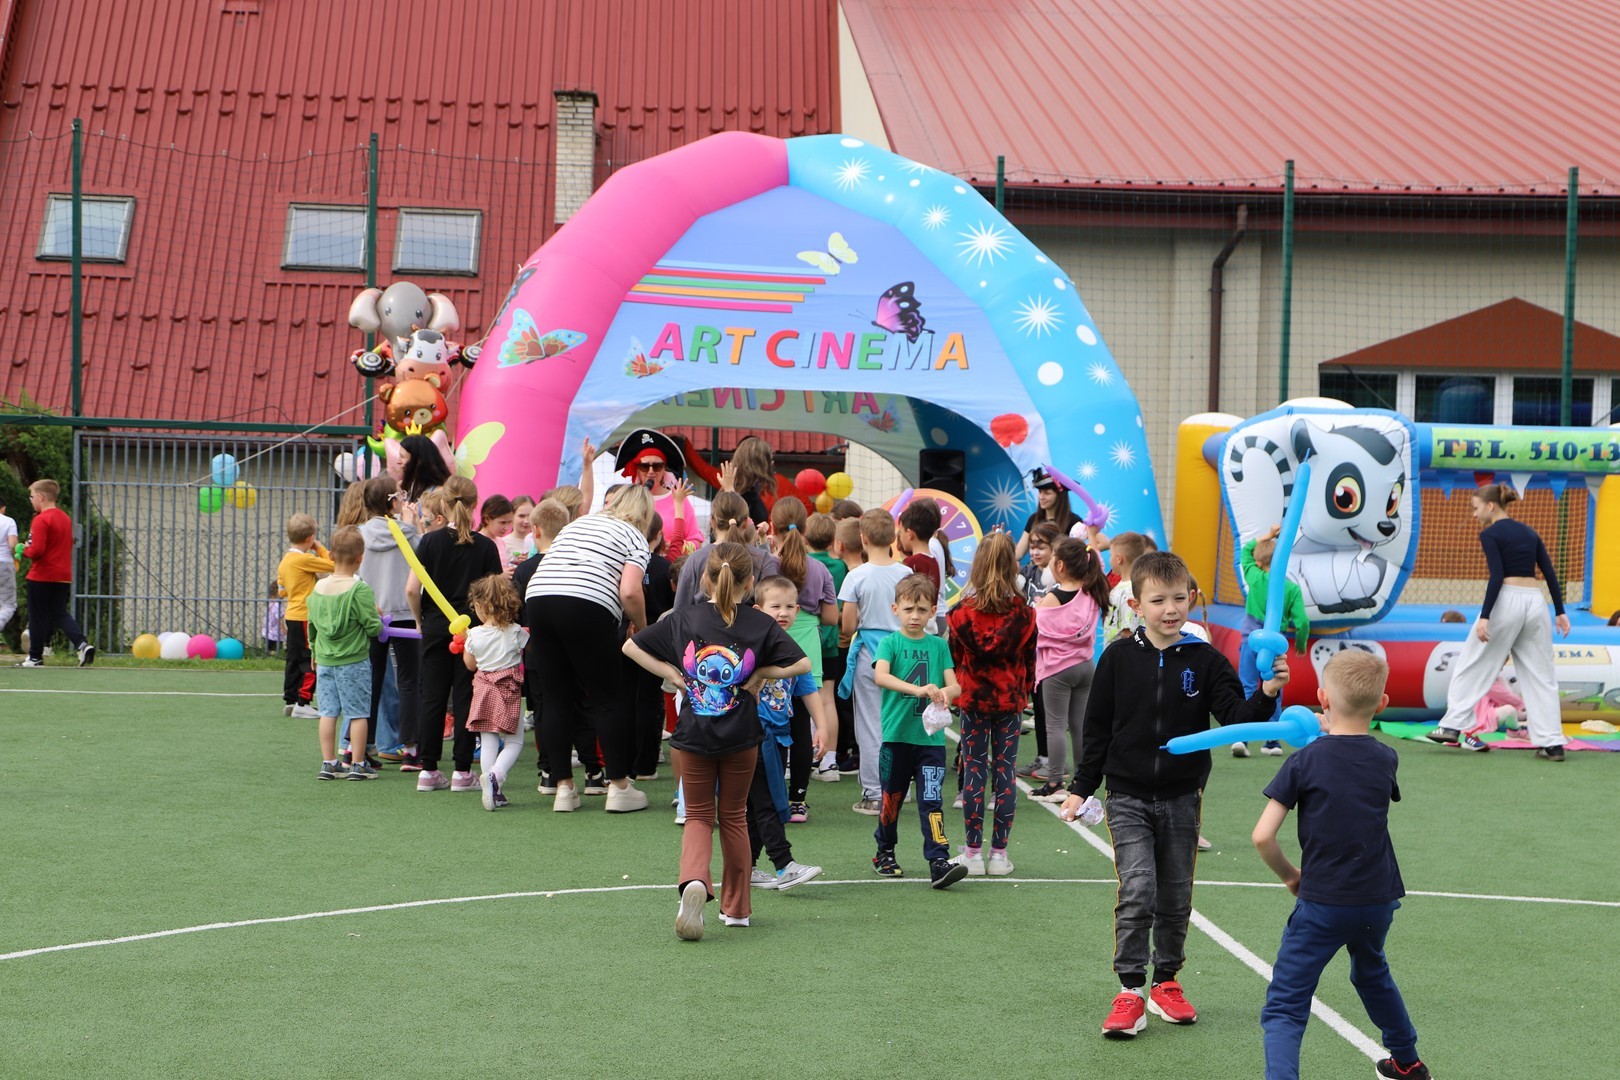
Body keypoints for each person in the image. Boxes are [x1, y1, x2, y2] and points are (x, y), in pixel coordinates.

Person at [1059, 550, 1291, 1039]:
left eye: (1179, 598)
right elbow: (1096, 730)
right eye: (1158, 600)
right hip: (1126, 795)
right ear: (1136, 605)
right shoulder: (1118, 657)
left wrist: (1268, 691)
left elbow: (1237, 719)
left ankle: (1166, 981)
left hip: (1183, 796)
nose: (1170, 609)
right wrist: (1081, 789)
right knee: (1138, 887)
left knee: (1175, 892)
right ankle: (1129, 990)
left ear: (1191, 598)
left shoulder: (1206, 660)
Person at [1252, 650, 1430, 1080]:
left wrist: (1290, 876)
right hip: (1377, 900)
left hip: (1324, 901)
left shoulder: (1303, 761)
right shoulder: (1386, 758)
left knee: (1285, 1004)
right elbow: (1352, 765)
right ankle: (1407, 1061)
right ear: (1382, 703)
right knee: (1371, 972)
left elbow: (1262, 836)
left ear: (1322, 699)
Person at [623, 542, 811, 939]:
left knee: (697, 816)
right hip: (742, 737)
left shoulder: (683, 618)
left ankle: (694, 880)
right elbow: (802, 662)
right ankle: (737, 909)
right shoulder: (760, 623)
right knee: (734, 817)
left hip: (693, 736)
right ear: (751, 581)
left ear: (705, 579)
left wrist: (672, 675)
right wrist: (760, 674)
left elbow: (630, 646)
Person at [527, 483, 653, 812]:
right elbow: (630, 591)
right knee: (607, 698)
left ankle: (564, 788)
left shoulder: (579, 524)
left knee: (555, 697)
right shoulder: (634, 537)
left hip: (539, 597)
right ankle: (619, 786)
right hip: (588, 603)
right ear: (645, 515)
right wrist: (642, 627)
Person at [1427, 483, 1570, 760]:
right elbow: (1549, 572)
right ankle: (1553, 743)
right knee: (1542, 674)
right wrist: (1560, 611)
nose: (1474, 514)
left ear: (1490, 506)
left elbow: (1496, 576)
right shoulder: (1529, 532)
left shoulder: (1490, 534)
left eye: (1476, 508)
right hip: (1536, 602)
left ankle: (1452, 726)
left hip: (1507, 600)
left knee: (1473, 662)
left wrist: (1485, 616)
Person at [946, 531, 1036, 876]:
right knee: (1005, 773)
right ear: (1012, 566)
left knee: (974, 770)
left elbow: (955, 658)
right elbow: (1030, 662)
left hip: (974, 698)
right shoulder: (1025, 615)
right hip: (1009, 700)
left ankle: (972, 852)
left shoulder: (960, 614)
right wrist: (1024, 691)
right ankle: (999, 854)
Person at [407, 476, 504, 793]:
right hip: (474, 630)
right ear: (475, 504)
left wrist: (420, 620)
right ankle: (463, 771)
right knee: (466, 696)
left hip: (436, 626)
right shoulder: (486, 547)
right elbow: (495, 593)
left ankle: (428, 769)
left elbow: (412, 589)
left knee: (432, 697)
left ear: (444, 504)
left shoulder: (430, 542)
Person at [871, 573, 968, 888]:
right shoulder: (890, 643)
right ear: (895, 609)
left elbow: (955, 685)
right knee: (892, 799)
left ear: (932, 612)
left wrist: (945, 692)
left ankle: (938, 861)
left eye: (922, 610)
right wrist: (918, 690)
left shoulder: (939, 645)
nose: (915, 616)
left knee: (932, 800)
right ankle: (884, 852)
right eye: (909, 609)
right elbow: (881, 677)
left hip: (931, 742)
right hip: (897, 739)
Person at [515, 498, 606, 794]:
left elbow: (518, 614)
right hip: (574, 648)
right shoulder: (576, 564)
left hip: (537, 651)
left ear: (535, 530)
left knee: (546, 710)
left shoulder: (525, 570)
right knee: (582, 707)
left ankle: (550, 772)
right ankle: (593, 772)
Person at [747, 576, 829, 890]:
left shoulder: (793, 648)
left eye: (790, 606)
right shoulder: (752, 645)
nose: (783, 612)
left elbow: (808, 689)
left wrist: (822, 726)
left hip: (780, 738)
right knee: (768, 800)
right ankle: (784, 864)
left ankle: (747, 867)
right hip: (756, 737)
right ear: (758, 609)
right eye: (775, 606)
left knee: (758, 804)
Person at [838, 509, 915, 815]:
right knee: (900, 723)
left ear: (863, 539)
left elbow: (847, 625)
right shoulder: (906, 573)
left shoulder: (857, 575)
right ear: (894, 537)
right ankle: (901, 787)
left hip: (869, 653)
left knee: (871, 724)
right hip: (903, 652)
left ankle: (874, 793)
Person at [768, 496, 837, 821]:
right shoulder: (819, 568)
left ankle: (772, 794)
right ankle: (798, 799)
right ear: (806, 528)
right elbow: (832, 617)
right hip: (807, 644)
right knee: (801, 723)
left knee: (772, 719)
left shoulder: (769, 564)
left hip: (774, 642)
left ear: (773, 527)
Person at [1031, 538, 1110, 802]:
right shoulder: (1091, 593)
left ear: (1061, 565)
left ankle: (1055, 783)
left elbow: (1033, 630)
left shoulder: (1051, 599)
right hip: (1086, 666)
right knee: (1079, 726)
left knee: (1055, 726)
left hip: (1057, 670)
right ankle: (1081, 780)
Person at [306, 526, 382, 781]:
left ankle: (328, 762)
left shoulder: (318, 588)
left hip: (325, 659)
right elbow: (373, 627)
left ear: (330, 556)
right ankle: (358, 764)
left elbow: (312, 625)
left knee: (328, 711)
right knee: (358, 712)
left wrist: (314, 650)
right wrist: (378, 618)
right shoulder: (359, 590)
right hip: (354, 661)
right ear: (360, 558)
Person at [357, 476, 423, 770]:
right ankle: (410, 748)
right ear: (392, 501)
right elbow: (422, 563)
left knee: (370, 681)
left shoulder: (360, 534)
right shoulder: (408, 533)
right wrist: (413, 525)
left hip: (372, 612)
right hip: (405, 612)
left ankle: (361, 746)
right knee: (409, 681)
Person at [1235, 524, 1311, 758]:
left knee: (1248, 686)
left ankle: (1242, 738)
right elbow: (1302, 622)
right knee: (1274, 687)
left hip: (1251, 640)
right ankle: (1272, 742)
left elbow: (1245, 552)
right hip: (1275, 645)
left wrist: (1267, 535)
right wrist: (1301, 643)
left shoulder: (1255, 576)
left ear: (1259, 563)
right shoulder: (1291, 589)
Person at [463, 574, 529, 811]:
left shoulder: (473, 634)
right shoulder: (516, 632)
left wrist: (466, 644)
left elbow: (470, 665)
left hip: (483, 690)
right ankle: (496, 776)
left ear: (479, 605)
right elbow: (531, 650)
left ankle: (491, 789)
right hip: (507, 690)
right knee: (515, 741)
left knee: (488, 739)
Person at [15, 480, 93, 668]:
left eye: (32, 497)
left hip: (41, 575)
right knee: (60, 613)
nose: (31, 501)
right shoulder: (65, 518)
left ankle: (35, 657)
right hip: (62, 575)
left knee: (37, 616)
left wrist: (23, 549)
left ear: (41, 497)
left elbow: (37, 550)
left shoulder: (41, 519)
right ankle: (82, 644)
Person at [672, 492, 780, 610]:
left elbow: (680, 611)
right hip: (751, 621)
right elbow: (773, 606)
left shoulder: (695, 560)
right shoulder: (762, 559)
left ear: (713, 521)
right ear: (745, 523)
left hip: (701, 621)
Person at [613, 428, 703, 556]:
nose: (651, 472)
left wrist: (679, 548)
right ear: (637, 469)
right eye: (645, 466)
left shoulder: (678, 498)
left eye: (657, 466)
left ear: (664, 468)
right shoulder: (628, 499)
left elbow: (696, 541)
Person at [276, 512, 333, 714]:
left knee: (293, 658)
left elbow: (281, 590)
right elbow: (334, 565)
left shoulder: (285, 561)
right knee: (310, 658)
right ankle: (303, 702)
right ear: (310, 538)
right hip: (305, 616)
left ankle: (291, 699)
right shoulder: (305, 559)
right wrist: (320, 548)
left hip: (291, 615)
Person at [807, 511, 848, 782]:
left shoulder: (803, 562)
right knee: (827, 699)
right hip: (831, 640)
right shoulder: (840, 566)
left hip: (806, 640)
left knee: (799, 700)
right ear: (832, 540)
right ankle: (829, 761)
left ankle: (795, 758)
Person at [1018, 520, 1062, 780]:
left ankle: (1056, 764)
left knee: (1050, 712)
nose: (1034, 552)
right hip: (1031, 652)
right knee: (1038, 708)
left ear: (1054, 550)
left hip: (1051, 654)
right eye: (1032, 546)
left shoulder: (1059, 578)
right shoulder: (1028, 572)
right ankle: (1043, 757)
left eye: (1041, 547)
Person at [1101, 531, 1156, 646]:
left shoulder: (1128, 592)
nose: (1110, 559)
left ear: (1119, 559)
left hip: (1121, 653)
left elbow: (1127, 633)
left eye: (1111, 555)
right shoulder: (1129, 587)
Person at [1016, 467, 1079, 561]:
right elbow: (1018, 554)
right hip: (1037, 570)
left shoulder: (1073, 521)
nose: (1041, 497)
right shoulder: (1033, 519)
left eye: (1047, 493)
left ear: (1059, 496)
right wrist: (1001, 541)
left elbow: (1100, 544)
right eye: (1040, 492)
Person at [398, 432, 451, 504]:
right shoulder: (405, 485)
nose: (398, 461)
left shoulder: (438, 494)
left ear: (418, 461)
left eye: (402, 457)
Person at [502, 494, 537, 570]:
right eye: (521, 516)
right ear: (512, 516)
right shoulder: (503, 543)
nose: (526, 521)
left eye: (530, 516)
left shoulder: (539, 543)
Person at [0, 496, 18, 635]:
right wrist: (16, 558)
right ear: (3, 508)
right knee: (9, 604)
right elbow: (12, 545)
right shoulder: (9, 521)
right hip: (4, 561)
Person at [262, 581, 284, 655]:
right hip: (276, 634)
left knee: (269, 650)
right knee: (276, 651)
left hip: (267, 632)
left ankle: (269, 652)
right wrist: (284, 629)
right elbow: (280, 619)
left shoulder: (269, 603)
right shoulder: (278, 605)